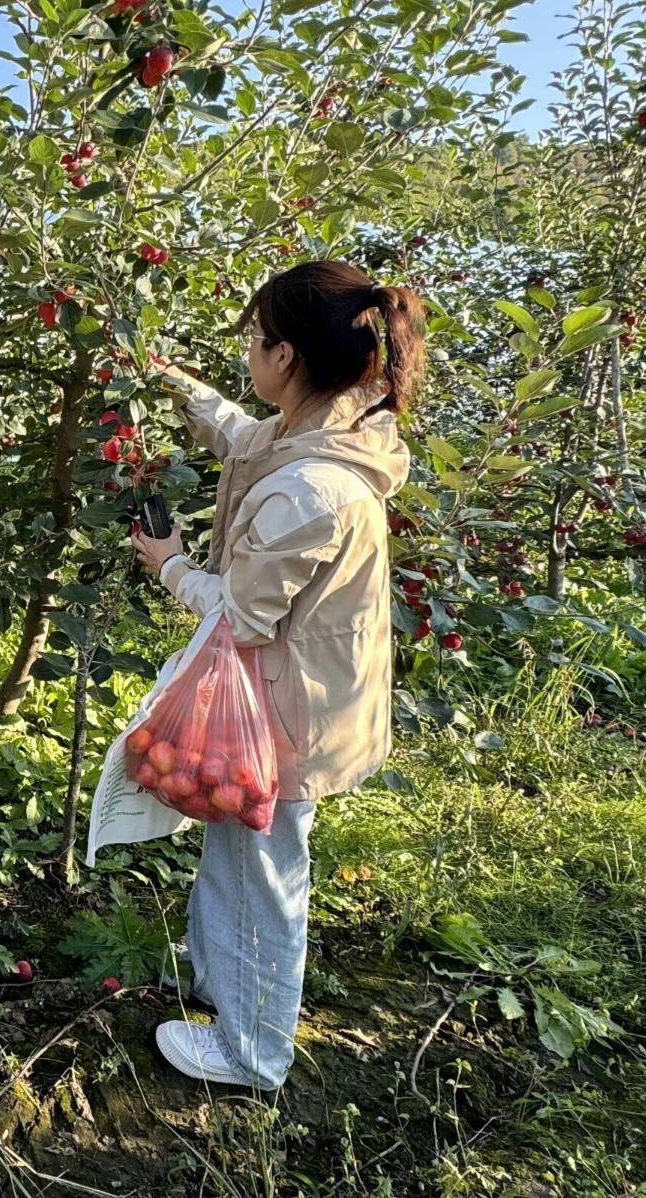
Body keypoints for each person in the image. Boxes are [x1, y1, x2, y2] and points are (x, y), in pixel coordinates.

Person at [131, 260, 424, 1090]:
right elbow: (242, 436)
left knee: (263, 875)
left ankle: (253, 1053)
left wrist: (169, 565)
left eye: (254, 341)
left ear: (286, 355)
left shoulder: (307, 493)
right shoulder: (332, 433)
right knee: (240, 860)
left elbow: (241, 613)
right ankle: (232, 995)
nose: (246, 357)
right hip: (305, 697)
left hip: (287, 718)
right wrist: (173, 386)